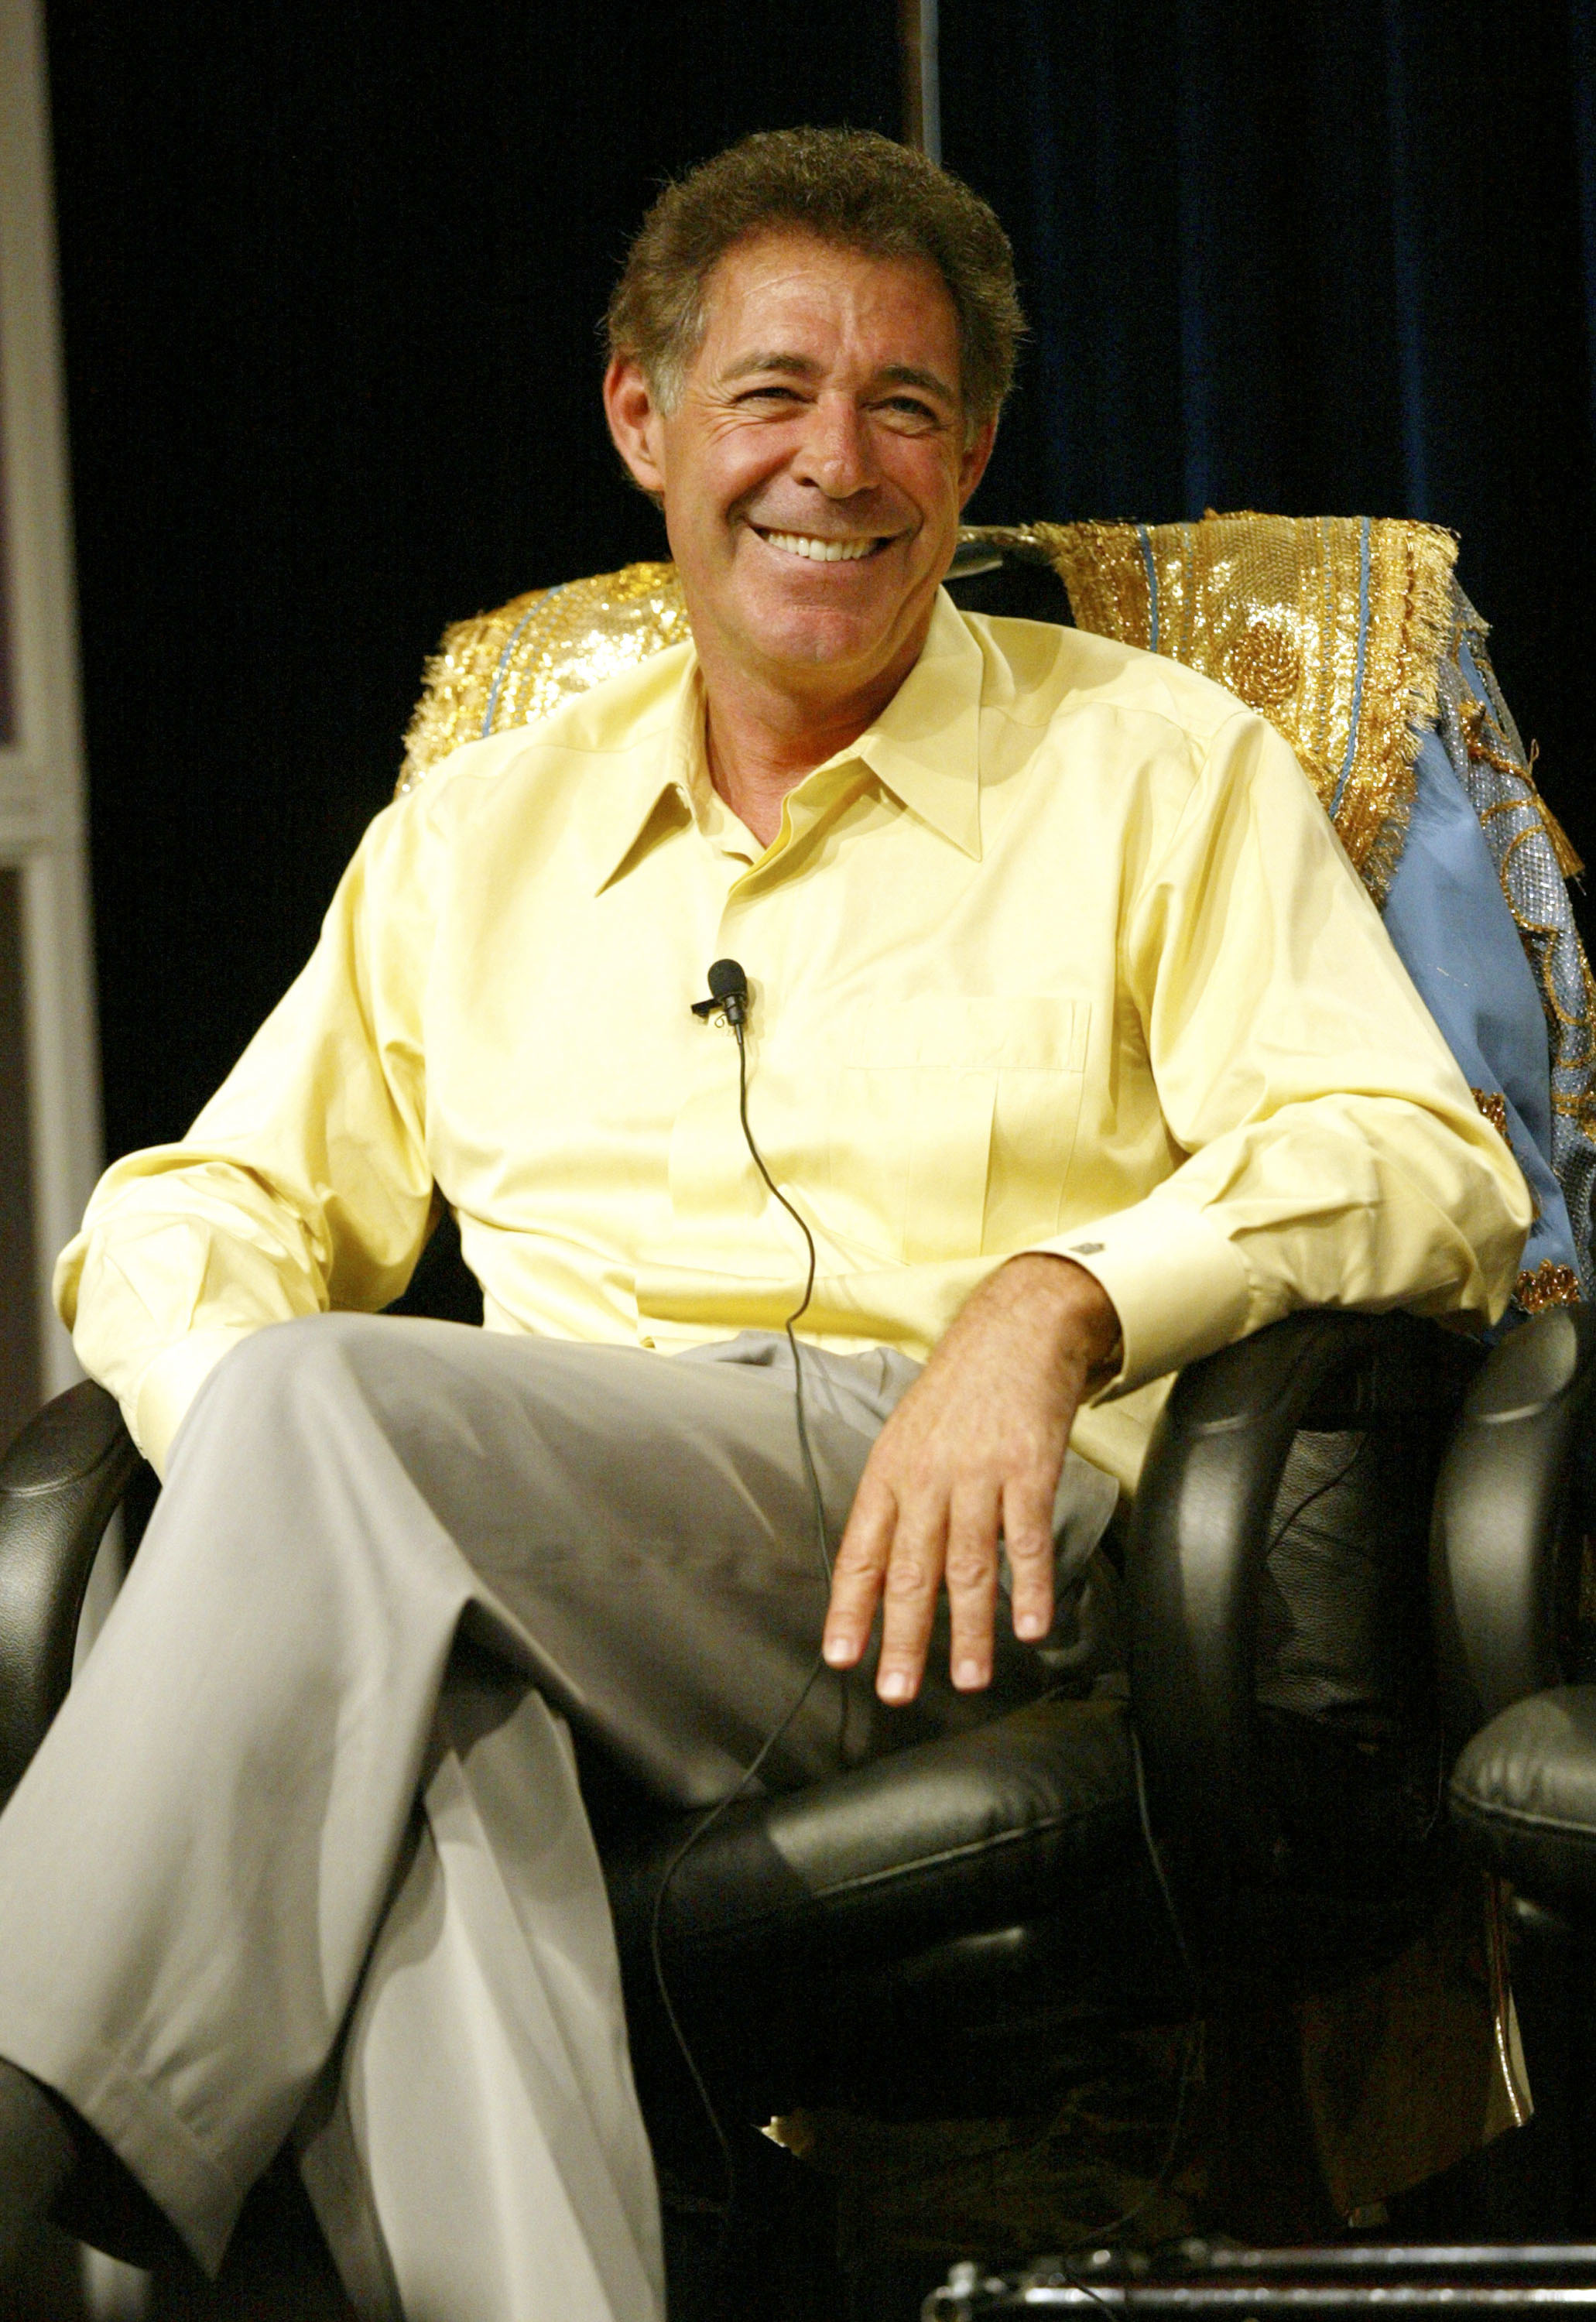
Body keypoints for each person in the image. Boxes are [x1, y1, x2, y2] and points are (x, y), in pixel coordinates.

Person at [0, 127, 1529, 2321]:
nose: (838, 462)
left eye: (906, 407)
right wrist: (268, 1443)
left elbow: (1419, 1155)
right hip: (548, 1556)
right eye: (771, 394)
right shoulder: (475, 834)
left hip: (974, 1573)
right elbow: (199, 1201)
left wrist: (1063, 1296)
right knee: (427, 1722)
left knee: (350, 1466)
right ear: (645, 422)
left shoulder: (1152, 767)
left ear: (974, 450)